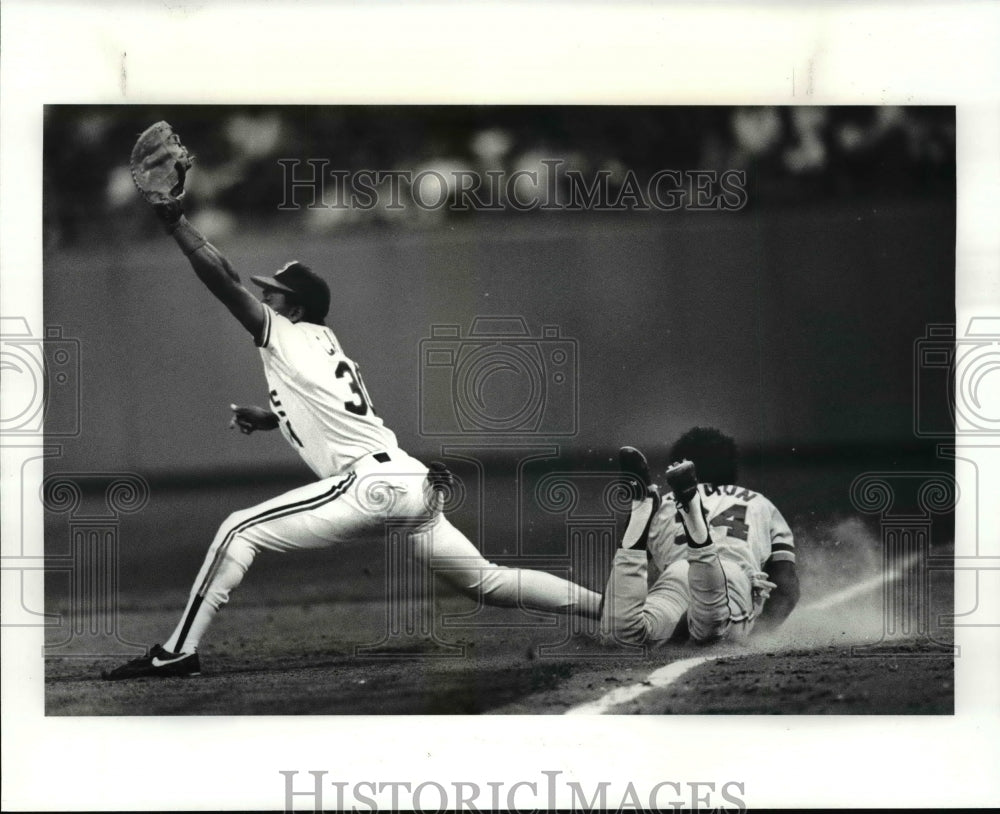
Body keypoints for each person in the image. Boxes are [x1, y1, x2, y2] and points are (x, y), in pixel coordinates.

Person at [102, 199, 602, 680]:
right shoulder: (327, 344)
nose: (264, 297)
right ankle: (610, 609)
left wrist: (177, 224)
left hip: (368, 485)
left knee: (238, 530)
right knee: (487, 582)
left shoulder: (284, 332)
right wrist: (272, 416)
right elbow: (335, 412)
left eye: (273, 293)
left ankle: (176, 653)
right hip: (412, 480)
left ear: (294, 308)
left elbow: (226, 282)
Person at [601, 427, 799, 647]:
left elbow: (636, 581)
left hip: (675, 575)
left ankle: (643, 508)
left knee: (622, 636)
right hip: (731, 579)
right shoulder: (759, 503)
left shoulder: (665, 502)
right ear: (731, 467)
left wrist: (609, 609)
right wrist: (755, 636)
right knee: (711, 633)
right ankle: (694, 518)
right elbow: (786, 588)